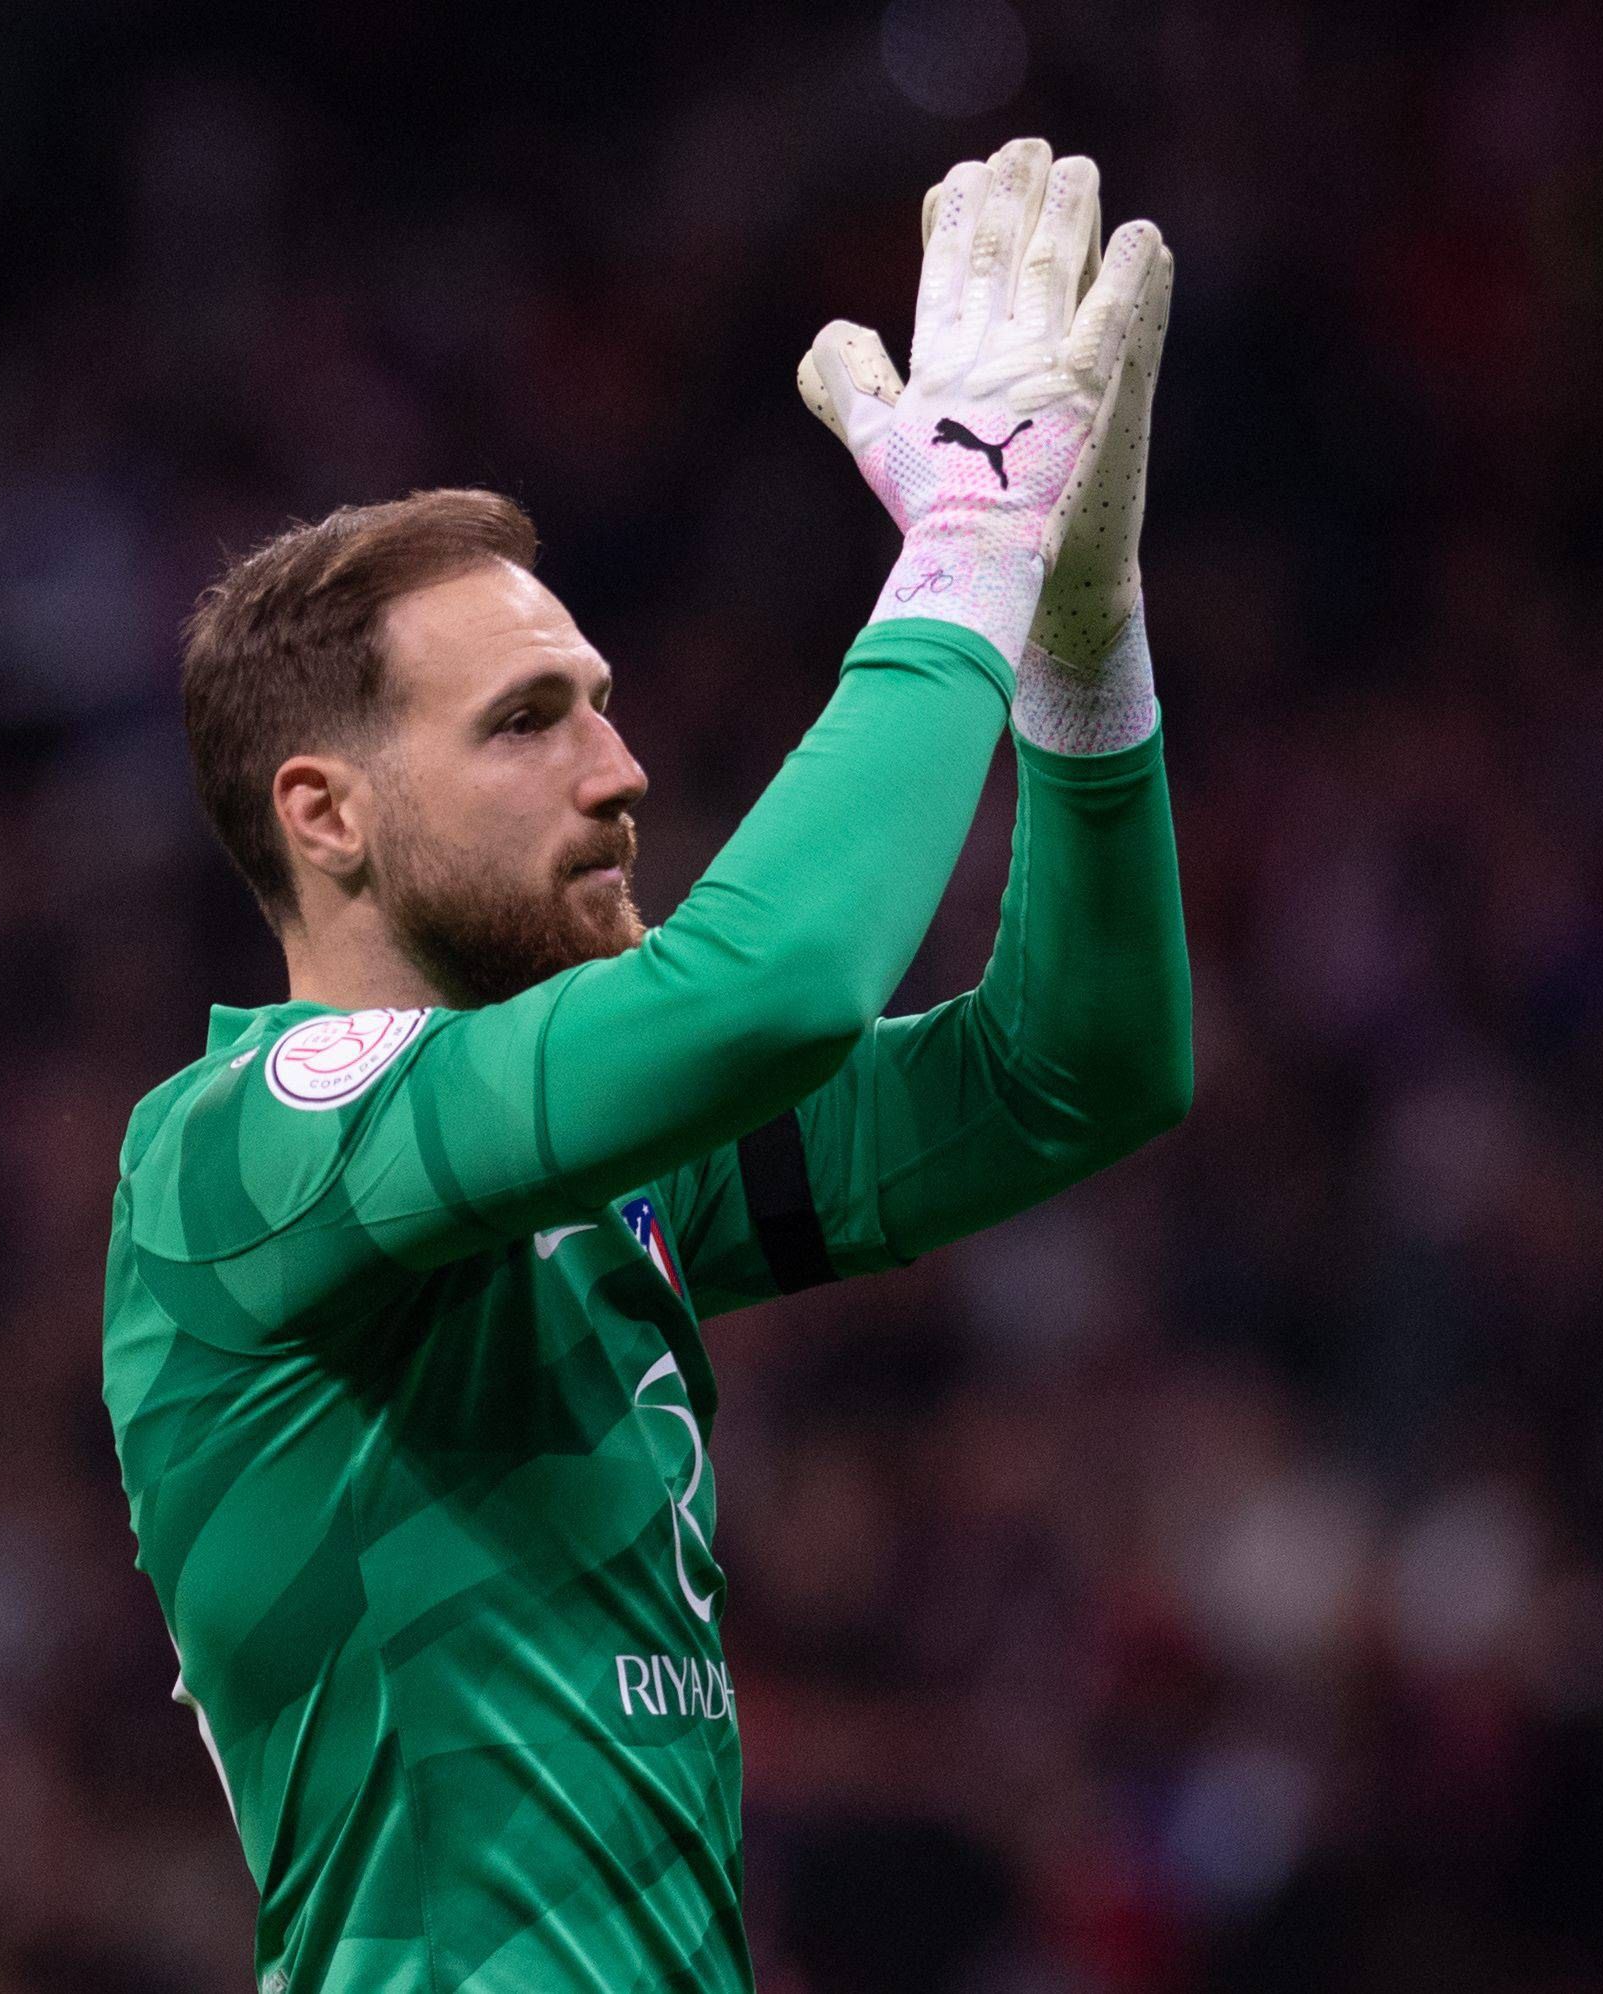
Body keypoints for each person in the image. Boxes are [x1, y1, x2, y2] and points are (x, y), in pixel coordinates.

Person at [102, 137, 1190, 1992]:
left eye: (603, 705)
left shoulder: (613, 1175)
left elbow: (1074, 1070)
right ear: (325, 814)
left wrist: (1076, 646)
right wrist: (966, 554)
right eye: (530, 722)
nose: (620, 773)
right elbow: (767, 987)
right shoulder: (236, 1155)